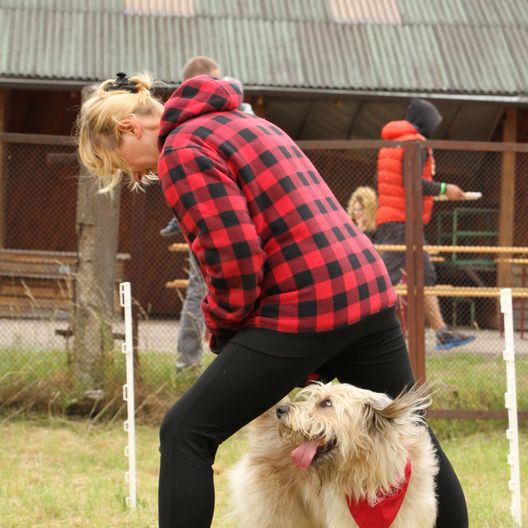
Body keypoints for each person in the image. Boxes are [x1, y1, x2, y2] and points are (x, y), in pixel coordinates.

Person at [77, 72, 468, 528]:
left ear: (129, 128)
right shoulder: (249, 122)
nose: (139, 175)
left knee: (186, 432)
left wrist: (224, 330)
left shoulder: (182, 150)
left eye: (125, 166)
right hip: (368, 289)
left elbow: (234, 257)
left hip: (308, 303)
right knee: (408, 433)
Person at [160, 56, 256, 370]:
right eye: (218, 78)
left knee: (199, 288)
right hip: (231, 214)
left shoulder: (181, 120)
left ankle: (191, 361)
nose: (224, 83)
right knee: (205, 288)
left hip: (216, 213)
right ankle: (204, 360)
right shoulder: (234, 110)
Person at [376, 98, 476, 350]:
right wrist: (445, 188)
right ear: (426, 123)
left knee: (423, 274)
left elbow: (397, 183)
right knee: (386, 276)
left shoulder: (392, 141)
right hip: (403, 221)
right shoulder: (415, 144)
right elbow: (413, 182)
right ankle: (362, 323)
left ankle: (442, 332)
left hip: (394, 217)